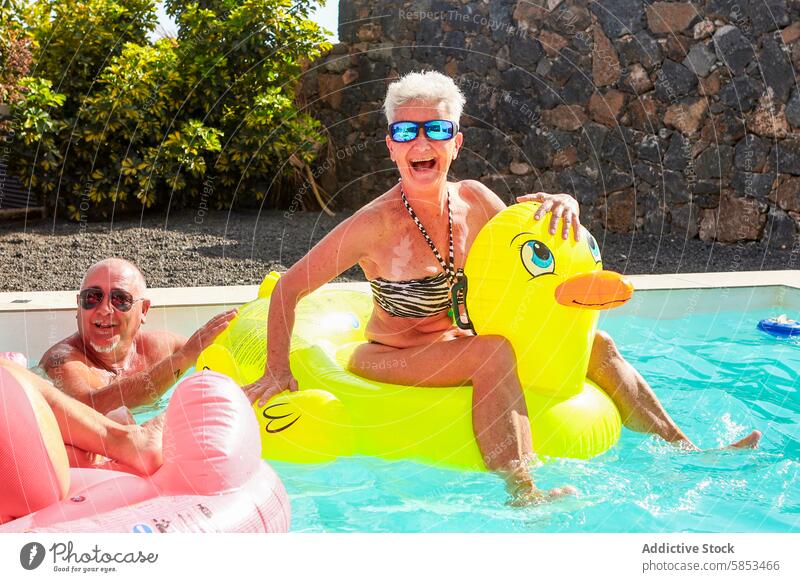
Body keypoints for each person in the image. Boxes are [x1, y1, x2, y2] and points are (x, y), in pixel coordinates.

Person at [242, 71, 761, 504]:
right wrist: (277, 371)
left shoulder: (475, 200)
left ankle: (683, 450)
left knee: (597, 346)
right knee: (492, 353)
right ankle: (523, 489)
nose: (420, 143)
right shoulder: (373, 225)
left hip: (454, 343)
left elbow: (531, 230)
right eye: (405, 133)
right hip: (389, 354)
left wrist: (565, 201)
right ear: (391, 149)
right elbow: (288, 289)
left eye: (435, 129)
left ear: (455, 141)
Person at [40, 258, 236, 415]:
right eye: (92, 297)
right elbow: (90, 407)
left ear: (143, 310)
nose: (104, 309)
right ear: (78, 305)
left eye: (119, 299)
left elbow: (224, 355)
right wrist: (182, 359)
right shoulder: (61, 360)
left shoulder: (159, 348)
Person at [0, 357, 162, 475]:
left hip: (27, 479)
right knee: (7, 371)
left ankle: (105, 442)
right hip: (30, 479)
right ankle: (118, 439)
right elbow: (92, 399)